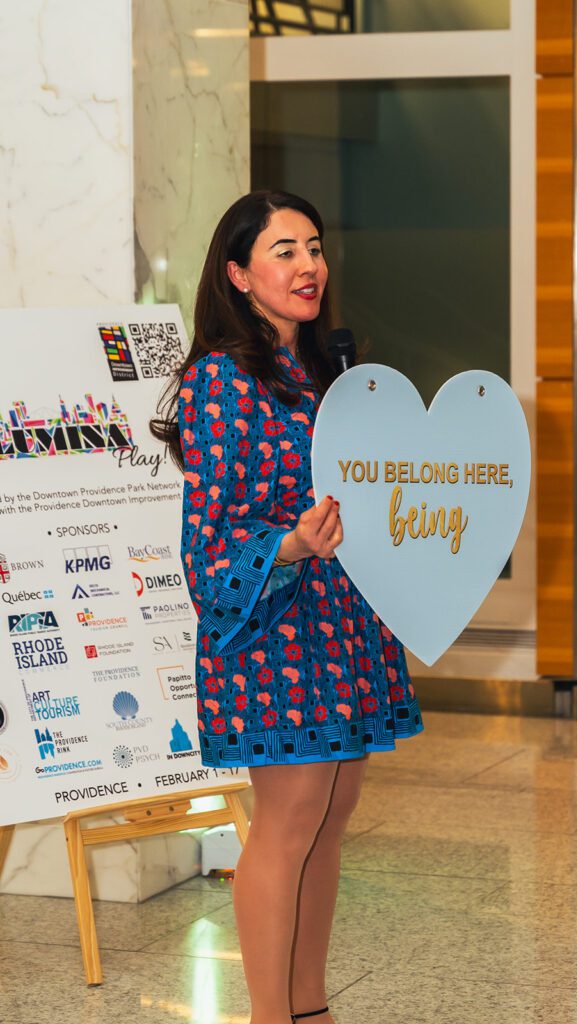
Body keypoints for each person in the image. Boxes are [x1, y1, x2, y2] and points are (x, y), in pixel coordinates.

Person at [152, 189, 424, 1024]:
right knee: (288, 819)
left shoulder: (329, 372)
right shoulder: (220, 384)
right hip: (274, 628)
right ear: (237, 274)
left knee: (331, 815)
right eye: (283, 251)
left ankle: (310, 1009)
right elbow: (211, 539)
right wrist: (292, 546)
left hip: (344, 621)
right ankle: (271, 1015)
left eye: (312, 247)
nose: (308, 266)